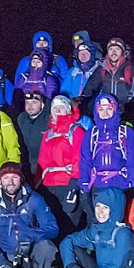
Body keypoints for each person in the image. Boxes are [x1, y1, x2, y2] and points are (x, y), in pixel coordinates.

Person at [79, 92, 134, 202]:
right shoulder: (91, 134)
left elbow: (133, 160)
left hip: (121, 184)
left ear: (115, 110)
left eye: (109, 109)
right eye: (101, 109)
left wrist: (133, 182)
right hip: (97, 184)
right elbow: (85, 162)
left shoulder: (126, 132)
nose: (105, 113)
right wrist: (84, 183)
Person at [38, 95, 86, 234]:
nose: (58, 110)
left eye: (62, 108)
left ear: (68, 110)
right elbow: (42, 161)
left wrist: (74, 183)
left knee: (68, 225)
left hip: (67, 183)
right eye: (55, 108)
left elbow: (79, 158)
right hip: (49, 185)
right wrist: (37, 184)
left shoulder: (76, 131)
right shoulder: (48, 134)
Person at [81, 38, 134, 108]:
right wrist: (82, 99)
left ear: (122, 52)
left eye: (117, 49)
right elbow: (91, 86)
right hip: (107, 110)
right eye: (111, 49)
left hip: (125, 112)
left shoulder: (132, 69)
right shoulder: (102, 69)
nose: (113, 52)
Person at [17, 91, 50, 175]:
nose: (30, 106)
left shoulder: (49, 119)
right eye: (27, 102)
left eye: (34, 102)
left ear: (42, 104)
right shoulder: (21, 119)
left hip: (47, 165)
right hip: (29, 163)